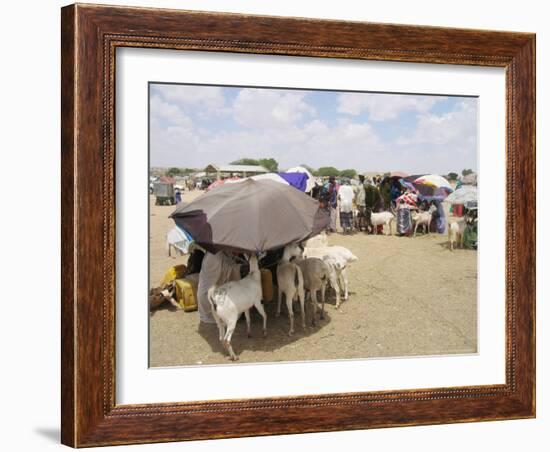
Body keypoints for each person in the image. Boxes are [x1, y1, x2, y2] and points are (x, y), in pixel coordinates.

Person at [196, 250, 242, 324]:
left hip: (208, 297)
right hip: (208, 299)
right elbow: (227, 271)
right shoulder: (215, 256)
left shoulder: (217, 252)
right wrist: (240, 268)